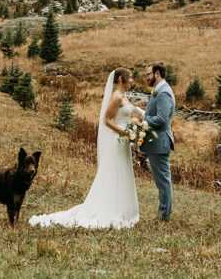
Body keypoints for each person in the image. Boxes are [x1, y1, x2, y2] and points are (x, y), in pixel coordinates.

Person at [29, 68, 140, 229]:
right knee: (114, 172)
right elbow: (107, 120)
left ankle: (123, 208)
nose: (132, 81)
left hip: (124, 141)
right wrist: (125, 133)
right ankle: (110, 209)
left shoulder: (125, 96)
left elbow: (126, 115)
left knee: (123, 171)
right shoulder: (116, 97)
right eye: (130, 78)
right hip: (118, 139)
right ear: (122, 79)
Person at [140, 63, 175, 221]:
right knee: (161, 180)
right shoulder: (160, 90)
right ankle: (163, 213)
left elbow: (161, 119)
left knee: (163, 181)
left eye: (149, 74)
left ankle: (164, 216)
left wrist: (143, 118)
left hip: (160, 142)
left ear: (157, 73)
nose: (146, 77)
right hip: (156, 142)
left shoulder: (164, 93)